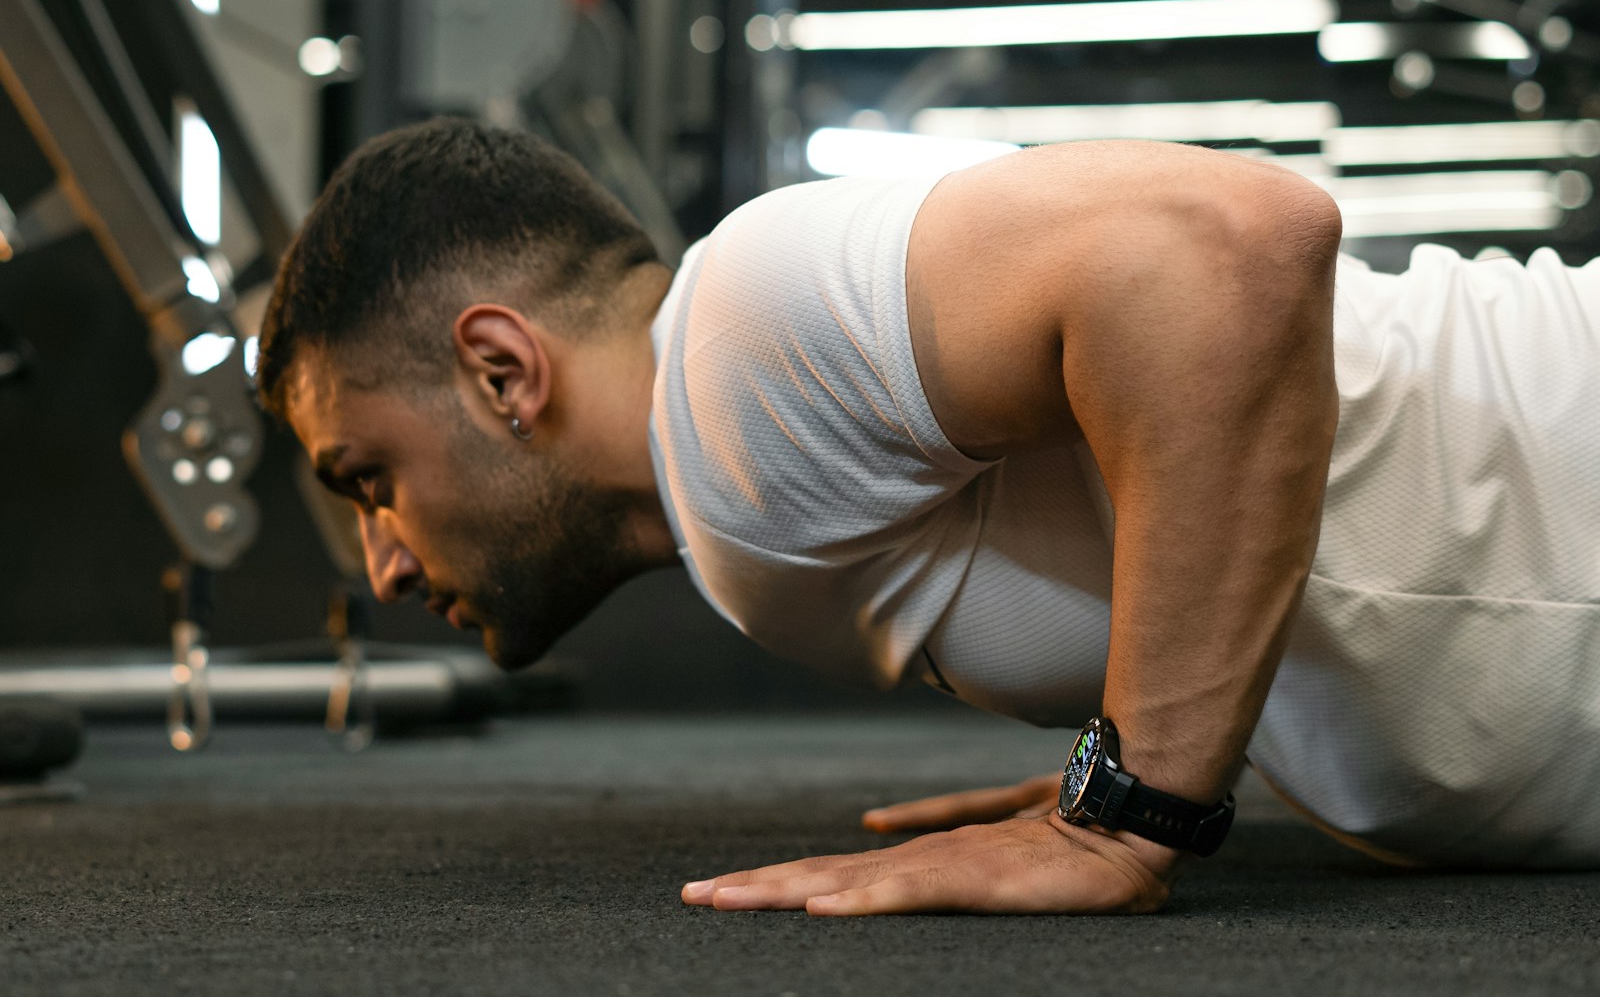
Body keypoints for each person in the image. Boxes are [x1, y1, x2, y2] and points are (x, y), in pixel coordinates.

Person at [255, 117, 1600, 916]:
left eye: (367, 478)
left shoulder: (733, 340)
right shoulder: (732, 489)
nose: (379, 560)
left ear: (502, 371)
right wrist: (1150, 715)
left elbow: (1231, 246)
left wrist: (1126, 810)